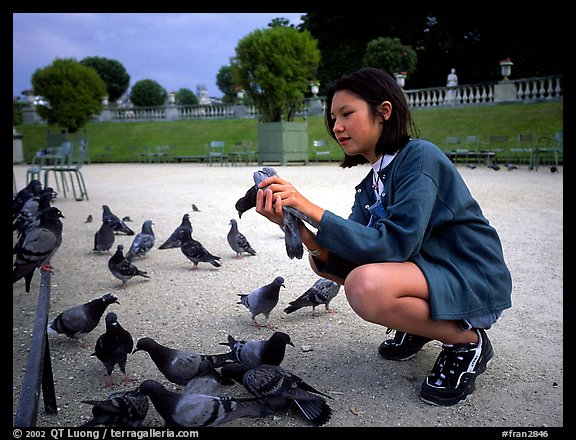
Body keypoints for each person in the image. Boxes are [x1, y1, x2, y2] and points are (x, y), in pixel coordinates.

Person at [255, 67, 512, 407]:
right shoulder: (371, 184)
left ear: (384, 112)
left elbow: (395, 246)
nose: (336, 127)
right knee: (329, 267)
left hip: (470, 273)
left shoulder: (419, 157)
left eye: (347, 114)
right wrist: (296, 226)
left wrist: (308, 205)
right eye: (333, 118)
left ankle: (467, 341)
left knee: (366, 286)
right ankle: (422, 326)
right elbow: (346, 257)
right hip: (432, 270)